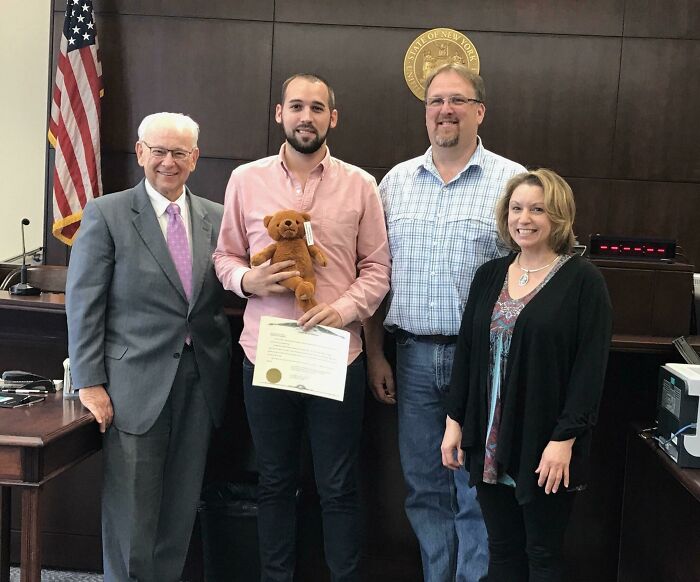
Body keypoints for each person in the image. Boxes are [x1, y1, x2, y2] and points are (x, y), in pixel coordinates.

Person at [213, 73, 391, 582]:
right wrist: (248, 278)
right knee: (273, 481)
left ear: (332, 118)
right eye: (297, 106)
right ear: (279, 114)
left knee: (338, 485)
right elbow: (224, 256)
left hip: (337, 353)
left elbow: (378, 269)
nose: (306, 117)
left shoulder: (361, 185)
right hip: (265, 353)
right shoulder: (246, 180)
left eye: (317, 108)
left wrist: (345, 309)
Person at [364, 63, 526, 582]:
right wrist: (374, 355)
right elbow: (374, 274)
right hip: (409, 357)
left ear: (480, 111)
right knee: (424, 486)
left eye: (457, 101)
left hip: (480, 361)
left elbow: (533, 274)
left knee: (476, 486)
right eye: (435, 101)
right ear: (425, 112)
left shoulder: (512, 182)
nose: (445, 110)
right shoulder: (395, 183)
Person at [66, 112, 232, 582]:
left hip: (200, 382)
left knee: (179, 508)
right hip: (132, 384)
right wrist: (90, 382)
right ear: (140, 153)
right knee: (132, 512)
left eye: (179, 153)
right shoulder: (108, 212)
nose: (168, 161)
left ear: (195, 159)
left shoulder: (217, 218)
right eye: (158, 150)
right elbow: (84, 303)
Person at [441, 169, 613, 582]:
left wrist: (563, 439)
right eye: (517, 208)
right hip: (488, 438)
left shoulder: (583, 281)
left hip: (545, 442)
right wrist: (454, 422)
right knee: (502, 552)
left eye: (538, 209)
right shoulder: (489, 275)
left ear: (558, 216)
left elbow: (589, 371)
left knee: (542, 554)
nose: (525, 218)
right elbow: (467, 353)